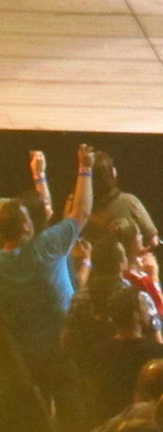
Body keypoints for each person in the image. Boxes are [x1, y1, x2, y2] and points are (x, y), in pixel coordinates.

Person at [0, 145, 93, 415]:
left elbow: (43, 214)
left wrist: (39, 177)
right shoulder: (46, 249)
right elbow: (81, 212)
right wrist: (85, 168)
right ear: (27, 226)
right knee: (71, 411)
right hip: (63, 347)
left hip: (24, 355)